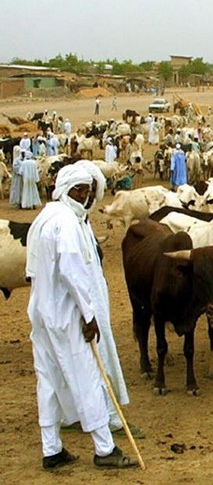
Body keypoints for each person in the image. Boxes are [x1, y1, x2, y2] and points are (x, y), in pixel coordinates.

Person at [26, 165, 138, 470]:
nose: (84, 195)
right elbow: (74, 274)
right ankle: (105, 449)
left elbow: (31, 270)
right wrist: (89, 317)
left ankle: (52, 449)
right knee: (88, 378)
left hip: (42, 312)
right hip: (67, 316)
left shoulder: (45, 217)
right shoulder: (68, 223)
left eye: (87, 190)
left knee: (47, 379)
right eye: (78, 190)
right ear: (65, 189)